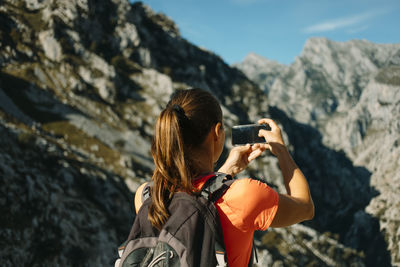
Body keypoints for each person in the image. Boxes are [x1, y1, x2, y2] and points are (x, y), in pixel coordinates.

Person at [134, 88, 314, 267]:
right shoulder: (245, 195)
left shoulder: (147, 195)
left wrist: (225, 172)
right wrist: (281, 150)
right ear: (217, 132)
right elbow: (305, 207)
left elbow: (193, 199)